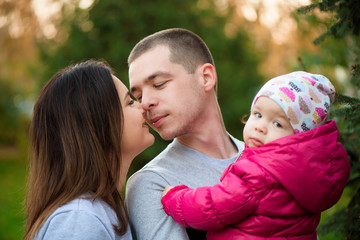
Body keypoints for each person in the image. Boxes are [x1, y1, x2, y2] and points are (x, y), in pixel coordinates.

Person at [161, 71, 351, 240]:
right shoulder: (307, 173)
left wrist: (175, 198)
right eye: (258, 115)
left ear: (299, 137)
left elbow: (212, 207)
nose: (260, 127)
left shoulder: (260, 174)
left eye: (277, 124)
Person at [125, 28, 244, 239]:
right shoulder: (153, 183)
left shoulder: (265, 155)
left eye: (159, 84)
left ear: (206, 77)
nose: (145, 103)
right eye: (138, 95)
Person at [24, 59, 155, 240]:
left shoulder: (100, 212)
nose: (143, 105)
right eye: (129, 103)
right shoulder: (79, 221)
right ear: (100, 125)